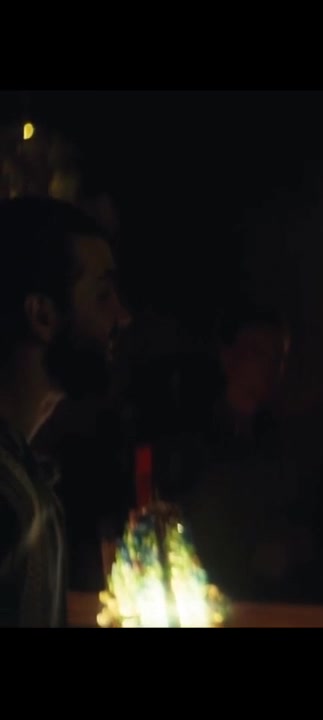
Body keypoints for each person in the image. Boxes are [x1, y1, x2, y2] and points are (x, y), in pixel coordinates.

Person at [0, 196, 131, 626]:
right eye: (102, 295)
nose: (122, 317)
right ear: (42, 315)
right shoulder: (11, 499)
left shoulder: (28, 479)